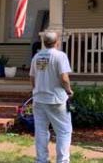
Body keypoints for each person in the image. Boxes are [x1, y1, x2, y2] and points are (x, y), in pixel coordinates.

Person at [30, 31, 73, 163]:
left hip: (39, 99)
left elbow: (32, 78)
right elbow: (64, 78)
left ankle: (42, 160)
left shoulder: (37, 57)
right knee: (64, 132)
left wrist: (36, 89)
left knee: (41, 131)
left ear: (44, 42)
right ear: (57, 42)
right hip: (56, 100)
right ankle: (62, 160)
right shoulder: (60, 56)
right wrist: (69, 91)